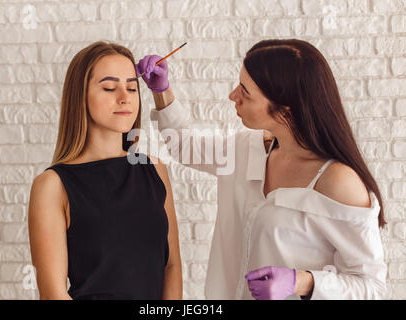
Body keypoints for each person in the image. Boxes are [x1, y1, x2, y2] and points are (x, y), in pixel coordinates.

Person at [136, 39, 387, 300]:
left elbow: (372, 287)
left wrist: (302, 282)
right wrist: (161, 91)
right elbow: (186, 147)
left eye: (245, 92)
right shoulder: (248, 149)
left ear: (286, 112)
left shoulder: (337, 182)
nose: (233, 96)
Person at [27, 41, 182, 300]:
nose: (124, 97)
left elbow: (172, 265)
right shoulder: (52, 186)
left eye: (132, 88)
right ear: (80, 96)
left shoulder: (154, 170)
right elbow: (53, 293)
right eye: (109, 87)